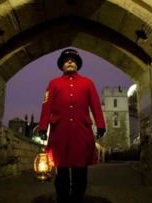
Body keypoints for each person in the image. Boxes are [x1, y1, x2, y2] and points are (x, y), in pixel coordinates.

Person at [38, 48, 106, 203]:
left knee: (80, 169)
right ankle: (62, 197)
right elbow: (46, 106)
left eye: (73, 60)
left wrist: (101, 125)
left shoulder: (88, 83)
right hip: (59, 131)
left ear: (78, 64)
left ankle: (77, 197)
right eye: (66, 60)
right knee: (60, 169)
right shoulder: (53, 83)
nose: (70, 62)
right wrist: (43, 127)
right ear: (62, 65)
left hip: (81, 131)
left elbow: (95, 105)